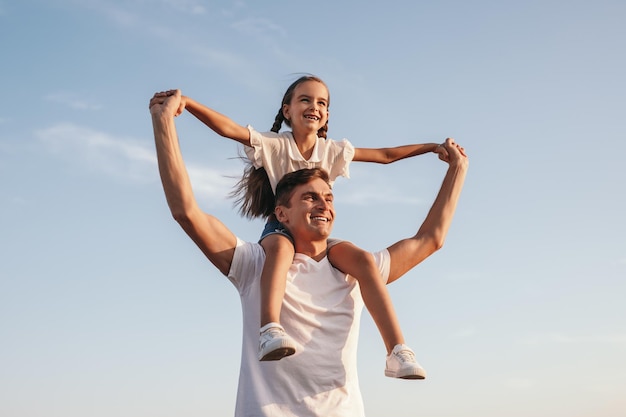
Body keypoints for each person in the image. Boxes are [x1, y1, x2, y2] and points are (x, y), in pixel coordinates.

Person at [149, 89, 468, 416]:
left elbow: (430, 238)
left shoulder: (357, 272)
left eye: (329, 198)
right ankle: (269, 329)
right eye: (310, 197)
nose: (324, 204)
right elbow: (186, 212)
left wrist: (457, 167)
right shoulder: (255, 264)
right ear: (281, 213)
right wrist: (164, 121)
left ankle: (397, 350)